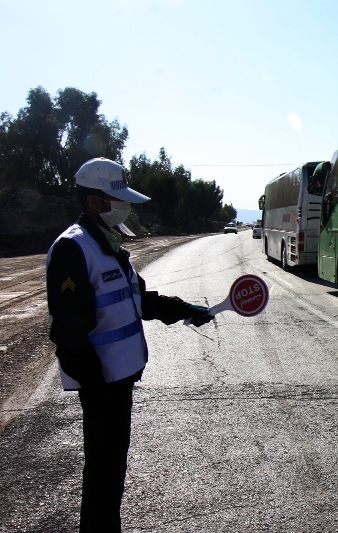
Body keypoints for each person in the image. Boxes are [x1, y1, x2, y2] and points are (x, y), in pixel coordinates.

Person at [45, 157, 213, 532]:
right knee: (103, 474)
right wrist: (95, 385)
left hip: (117, 382)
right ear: (94, 201)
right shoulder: (74, 248)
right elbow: (68, 334)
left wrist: (186, 309)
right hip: (100, 384)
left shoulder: (109, 246)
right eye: (116, 199)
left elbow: (140, 299)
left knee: (111, 471)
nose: (125, 208)